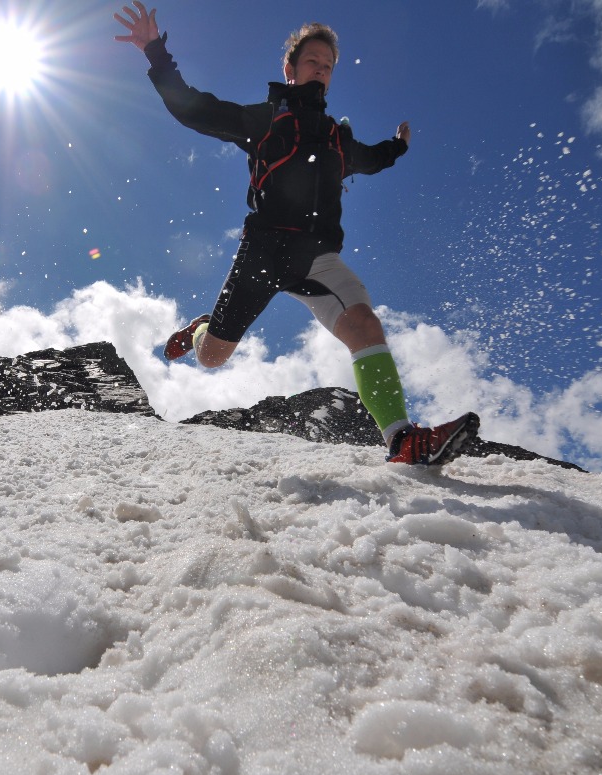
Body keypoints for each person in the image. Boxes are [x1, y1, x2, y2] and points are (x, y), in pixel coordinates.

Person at [115, 3, 479, 466]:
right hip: (263, 252)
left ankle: (400, 439)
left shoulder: (336, 138)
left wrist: (399, 146)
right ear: (289, 68)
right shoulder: (267, 120)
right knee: (211, 358)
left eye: (328, 67)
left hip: (317, 258)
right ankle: (201, 328)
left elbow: (370, 158)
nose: (321, 71)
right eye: (312, 62)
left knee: (365, 323)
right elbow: (193, 109)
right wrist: (155, 52)